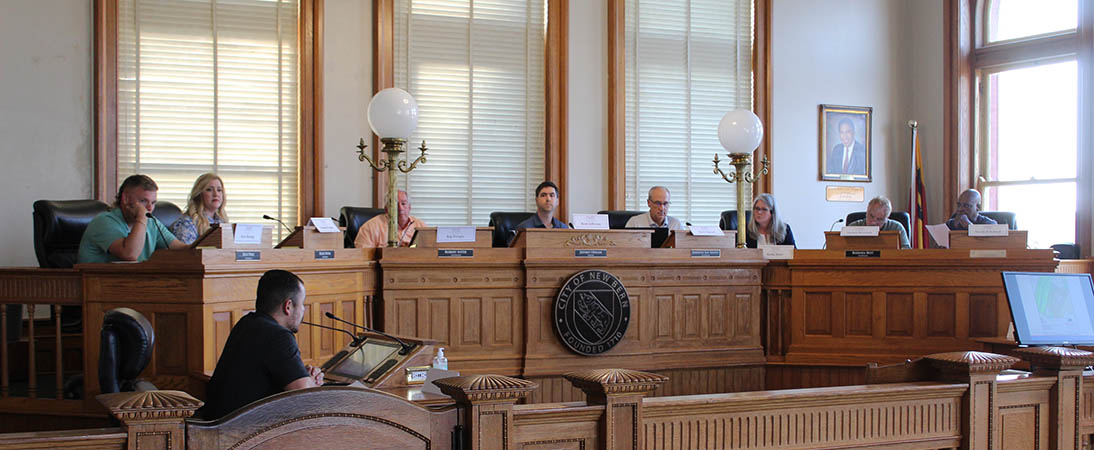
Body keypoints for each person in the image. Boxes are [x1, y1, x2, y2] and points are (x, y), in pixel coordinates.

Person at [201, 269, 324, 420]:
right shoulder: (278, 336)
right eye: (302, 304)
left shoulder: (248, 323)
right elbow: (304, 398)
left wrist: (302, 375)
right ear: (288, 306)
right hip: (239, 434)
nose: (303, 310)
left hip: (215, 423)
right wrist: (312, 382)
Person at [77, 174, 188, 263]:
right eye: (143, 201)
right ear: (125, 199)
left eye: (153, 203)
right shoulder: (104, 221)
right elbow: (130, 254)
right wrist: (141, 217)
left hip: (133, 283)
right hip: (98, 284)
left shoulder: (150, 222)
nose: (149, 208)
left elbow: (177, 248)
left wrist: (202, 245)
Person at [169, 173, 229, 244]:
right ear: (199, 195)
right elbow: (185, 253)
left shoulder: (221, 221)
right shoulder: (187, 223)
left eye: (219, 190)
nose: (216, 194)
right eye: (209, 190)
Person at [355, 190, 426, 248]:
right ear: (386, 209)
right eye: (395, 204)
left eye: (403, 204)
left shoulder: (421, 226)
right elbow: (363, 256)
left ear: (409, 207)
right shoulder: (370, 227)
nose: (400, 208)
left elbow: (431, 252)